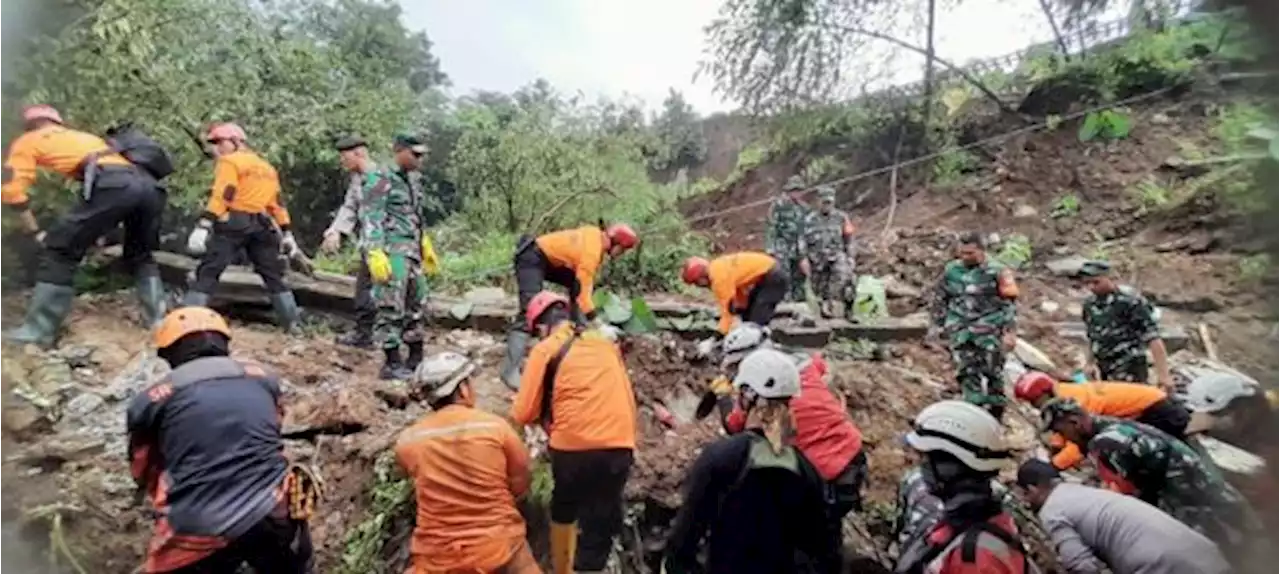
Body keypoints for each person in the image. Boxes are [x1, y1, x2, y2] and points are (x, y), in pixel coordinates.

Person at [127, 307, 313, 573]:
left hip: (197, 527)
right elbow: (274, 429)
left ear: (170, 353)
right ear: (223, 343)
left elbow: (143, 467)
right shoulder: (264, 379)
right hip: (272, 510)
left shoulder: (150, 400)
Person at [2, 105, 171, 346]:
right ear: (57, 122)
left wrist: (34, 231)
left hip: (114, 184)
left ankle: (38, 332)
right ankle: (158, 322)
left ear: (30, 125)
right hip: (150, 187)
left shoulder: (28, 141)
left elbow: (12, 191)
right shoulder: (85, 138)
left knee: (59, 250)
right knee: (140, 255)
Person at [664, 349, 840, 574]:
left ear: (747, 397)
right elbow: (823, 547)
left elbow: (684, 536)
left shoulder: (721, 457)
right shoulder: (804, 468)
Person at [510, 291, 636, 574]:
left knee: (564, 505)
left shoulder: (546, 349)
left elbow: (523, 413)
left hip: (571, 448)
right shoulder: (605, 345)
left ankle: (562, 568)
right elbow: (626, 396)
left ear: (541, 327)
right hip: (620, 443)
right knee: (602, 516)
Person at [708, 322, 867, 538]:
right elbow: (820, 366)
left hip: (825, 473)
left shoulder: (764, 398)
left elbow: (736, 427)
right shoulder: (801, 364)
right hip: (851, 457)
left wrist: (723, 397)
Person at [1042, 398, 1261, 555]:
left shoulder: (1106, 442)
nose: (1064, 438)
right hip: (1196, 483)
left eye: (1062, 431)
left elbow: (1130, 494)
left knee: (1219, 548)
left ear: (1075, 423)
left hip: (1187, 494)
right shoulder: (1108, 425)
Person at [395, 352, 539, 574]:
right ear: (462, 388)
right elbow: (522, 478)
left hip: (438, 556)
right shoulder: (495, 428)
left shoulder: (408, 442)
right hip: (498, 545)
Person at [1014, 459, 1232, 574]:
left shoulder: (1052, 509)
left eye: (1025, 494)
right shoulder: (1084, 492)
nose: (1026, 501)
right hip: (1202, 552)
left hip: (1162, 566)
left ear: (1033, 489)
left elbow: (1082, 566)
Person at [183, 123, 302, 331]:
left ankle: (187, 324)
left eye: (220, 142)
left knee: (209, 271)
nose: (216, 148)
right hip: (262, 225)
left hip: (234, 223)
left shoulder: (230, 162)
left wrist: (204, 223)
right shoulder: (267, 167)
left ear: (235, 142)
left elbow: (224, 194)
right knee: (273, 275)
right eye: (214, 144)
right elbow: (277, 204)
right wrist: (287, 232)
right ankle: (292, 325)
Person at [894, 400, 1029, 574]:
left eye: (926, 460)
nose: (921, 468)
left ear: (949, 469)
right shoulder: (965, 522)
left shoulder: (975, 557)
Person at [499, 222, 639, 390]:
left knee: (574, 284)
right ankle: (510, 372)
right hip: (532, 257)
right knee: (529, 312)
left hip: (546, 259)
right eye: (622, 250)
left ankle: (578, 329)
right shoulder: (591, 252)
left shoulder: (595, 238)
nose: (621, 254)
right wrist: (599, 325)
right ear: (616, 243)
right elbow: (584, 296)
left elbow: (579, 284)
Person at [345, 134, 431, 380]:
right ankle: (391, 363)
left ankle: (416, 358)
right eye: (414, 154)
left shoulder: (412, 181)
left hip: (411, 250)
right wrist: (374, 250)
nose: (419, 159)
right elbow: (371, 215)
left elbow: (414, 214)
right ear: (399, 151)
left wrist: (424, 241)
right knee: (390, 306)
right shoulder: (380, 178)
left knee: (417, 304)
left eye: (422, 155)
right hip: (392, 251)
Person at [1013, 371, 1190, 470]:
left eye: (1035, 402)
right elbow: (1062, 430)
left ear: (1045, 394)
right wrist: (1056, 446)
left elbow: (1079, 444)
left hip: (1159, 412)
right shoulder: (1065, 394)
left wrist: (1054, 466)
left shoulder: (1077, 403)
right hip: (1147, 406)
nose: (1035, 407)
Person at [927, 232, 1019, 420]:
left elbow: (1010, 304)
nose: (965, 257)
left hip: (989, 329)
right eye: (962, 253)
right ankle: (973, 411)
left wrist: (1010, 332)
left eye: (970, 253)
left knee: (993, 371)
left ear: (982, 250)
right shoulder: (952, 270)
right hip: (960, 329)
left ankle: (996, 414)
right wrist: (936, 326)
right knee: (966, 370)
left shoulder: (998, 271)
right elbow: (940, 298)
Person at [1076, 260, 1172, 389]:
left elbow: (1153, 337)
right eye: (1087, 283)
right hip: (1104, 366)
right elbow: (1093, 336)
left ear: (1109, 278)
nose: (1091, 287)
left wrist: (1164, 375)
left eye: (1096, 282)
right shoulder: (1090, 305)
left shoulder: (1129, 301)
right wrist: (1089, 363)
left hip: (1129, 364)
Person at [320, 135, 377, 349]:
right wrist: (335, 231)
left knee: (386, 292)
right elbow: (350, 207)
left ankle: (391, 337)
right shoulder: (356, 179)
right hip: (369, 245)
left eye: (344, 157)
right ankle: (364, 335)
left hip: (388, 244)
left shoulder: (381, 178)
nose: (342, 162)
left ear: (359, 153)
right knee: (363, 289)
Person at [680, 251, 789, 355]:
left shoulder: (719, 280)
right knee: (750, 318)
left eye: (696, 283)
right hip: (768, 274)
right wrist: (742, 313)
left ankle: (762, 353)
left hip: (773, 279)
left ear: (700, 278)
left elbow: (727, 314)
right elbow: (739, 294)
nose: (699, 286)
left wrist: (713, 340)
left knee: (756, 323)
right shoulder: (717, 267)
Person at [802, 185, 858, 320]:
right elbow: (801, 241)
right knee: (819, 289)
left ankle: (849, 311)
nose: (827, 205)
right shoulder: (808, 220)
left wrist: (851, 256)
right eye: (824, 202)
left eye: (829, 202)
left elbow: (849, 238)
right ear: (818, 201)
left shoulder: (842, 217)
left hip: (837, 255)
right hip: (817, 259)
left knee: (846, 279)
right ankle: (825, 308)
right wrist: (803, 259)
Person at [765, 175, 810, 302]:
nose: (797, 193)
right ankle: (784, 301)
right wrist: (770, 249)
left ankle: (799, 302)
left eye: (799, 190)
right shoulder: (778, 205)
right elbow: (771, 227)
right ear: (788, 191)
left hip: (798, 248)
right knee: (783, 276)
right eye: (794, 190)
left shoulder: (804, 208)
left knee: (800, 276)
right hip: (782, 246)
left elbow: (805, 230)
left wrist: (805, 253)